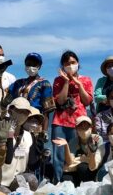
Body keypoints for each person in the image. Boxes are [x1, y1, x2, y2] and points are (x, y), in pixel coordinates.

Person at [51, 50, 94, 182]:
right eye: (66, 63)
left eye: (73, 62)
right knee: (59, 155)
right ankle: (58, 182)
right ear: (62, 66)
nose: (70, 65)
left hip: (79, 122)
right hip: (60, 121)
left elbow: (87, 101)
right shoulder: (58, 80)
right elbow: (61, 101)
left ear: (78, 63)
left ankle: (78, 182)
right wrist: (66, 82)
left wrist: (79, 84)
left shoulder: (86, 80)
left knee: (78, 153)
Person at [0, 98, 37, 189]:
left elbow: (32, 164)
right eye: (19, 111)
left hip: (17, 180)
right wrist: (9, 134)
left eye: (25, 113)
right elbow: (8, 159)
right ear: (10, 111)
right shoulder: (1, 129)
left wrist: (42, 156)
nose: (22, 115)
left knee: (32, 180)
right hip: (0, 181)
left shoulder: (29, 136)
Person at [7, 52, 55, 130]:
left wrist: (44, 131)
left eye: (34, 64)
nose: (31, 66)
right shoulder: (18, 83)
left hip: (33, 121)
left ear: (39, 66)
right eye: (28, 63)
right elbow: (7, 100)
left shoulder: (44, 83)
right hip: (16, 120)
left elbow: (47, 111)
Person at [53, 116, 101, 185]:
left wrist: (92, 152)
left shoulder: (97, 139)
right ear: (76, 129)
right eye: (81, 127)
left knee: (82, 167)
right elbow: (70, 162)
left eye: (86, 127)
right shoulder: (73, 141)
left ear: (91, 128)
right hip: (76, 169)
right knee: (66, 179)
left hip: (91, 170)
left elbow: (93, 166)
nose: (84, 130)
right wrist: (66, 146)